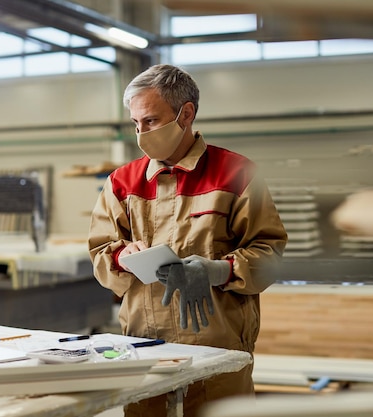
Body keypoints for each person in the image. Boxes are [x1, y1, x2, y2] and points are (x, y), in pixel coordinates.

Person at [87, 64, 288, 417]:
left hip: (217, 351)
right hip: (143, 349)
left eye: (150, 121)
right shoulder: (122, 182)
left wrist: (216, 271)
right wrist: (123, 257)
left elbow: (268, 254)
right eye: (135, 124)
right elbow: (101, 251)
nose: (141, 133)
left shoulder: (237, 174)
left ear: (187, 114)